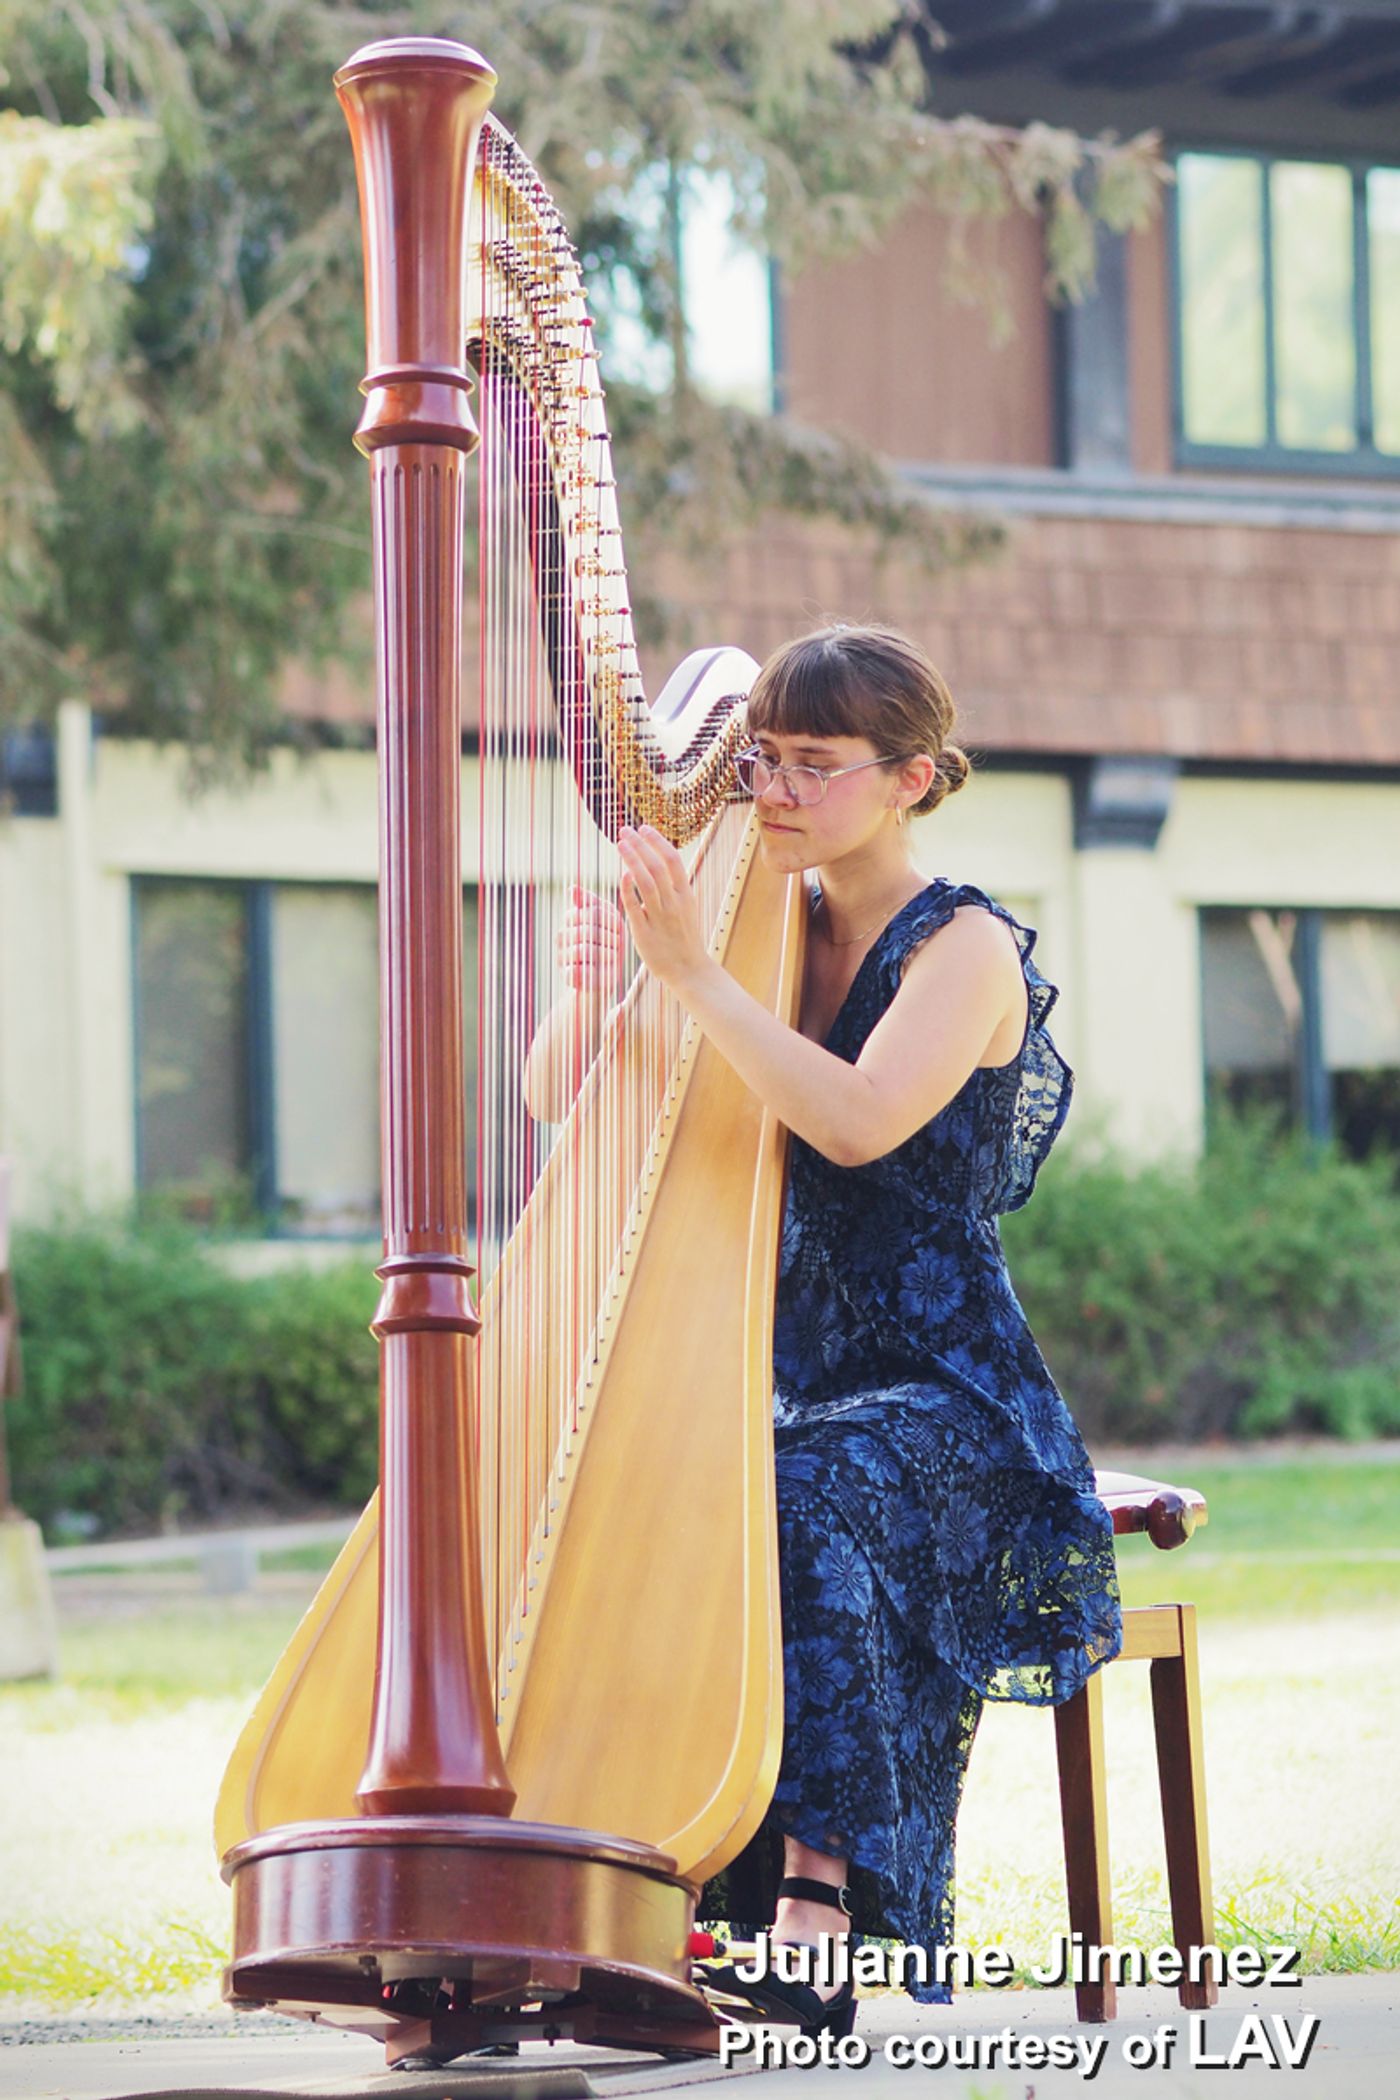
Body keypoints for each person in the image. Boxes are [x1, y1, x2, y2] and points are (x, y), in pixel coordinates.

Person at [537, 622, 1123, 2040]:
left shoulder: (963, 945)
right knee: (664, 1486)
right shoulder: (754, 926)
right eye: (759, 763)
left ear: (912, 779)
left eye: (813, 765)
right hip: (788, 1372)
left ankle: (816, 1909)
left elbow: (857, 1127)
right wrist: (590, 980)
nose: (775, 791)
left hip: (952, 1399)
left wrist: (694, 980)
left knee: (807, 1489)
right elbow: (570, 1110)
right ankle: (644, 1880)